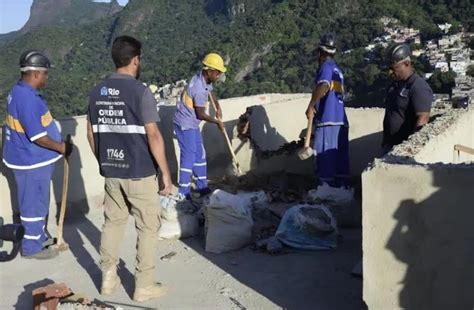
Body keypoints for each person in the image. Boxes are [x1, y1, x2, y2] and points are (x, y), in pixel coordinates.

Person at [86, 35, 172, 302]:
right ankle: (143, 284)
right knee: (147, 226)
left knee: (113, 222)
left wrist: (104, 160)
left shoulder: (97, 92)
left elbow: (91, 133)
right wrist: (166, 175)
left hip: (111, 170)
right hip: (139, 171)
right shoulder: (140, 92)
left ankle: (108, 279)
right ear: (136, 60)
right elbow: (154, 136)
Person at [2, 50, 73, 259]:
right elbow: (38, 136)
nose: (46, 78)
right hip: (30, 160)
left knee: (38, 200)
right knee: (33, 203)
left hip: (30, 158)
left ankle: (38, 235)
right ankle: (31, 247)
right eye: (45, 74)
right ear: (35, 74)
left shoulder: (20, 91)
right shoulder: (27, 99)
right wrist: (61, 148)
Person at [173, 53, 226, 200]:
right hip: (185, 124)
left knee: (199, 154)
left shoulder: (203, 79)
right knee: (189, 155)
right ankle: (183, 192)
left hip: (192, 124)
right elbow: (201, 114)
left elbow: (211, 91)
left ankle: (202, 187)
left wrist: (217, 106)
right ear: (209, 71)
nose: (219, 75)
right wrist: (217, 123)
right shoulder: (198, 88)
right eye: (217, 72)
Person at [305, 34, 351, 192]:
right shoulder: (338, 70)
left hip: (328, 121)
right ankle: (342, 197)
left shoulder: (325, 66)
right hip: (341, 122)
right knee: (340, 166)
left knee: (325, 163)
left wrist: (311, 105)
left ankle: (325, 199)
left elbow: (323, 86)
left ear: (320, 52)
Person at [382, 43, 432, 154]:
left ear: (407, 63)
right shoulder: (395, 85)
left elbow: (423, 117)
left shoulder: (418, 86)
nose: (390, 72)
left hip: (402, 148)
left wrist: (410, 146)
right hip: (390, 143)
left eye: (394, 68)